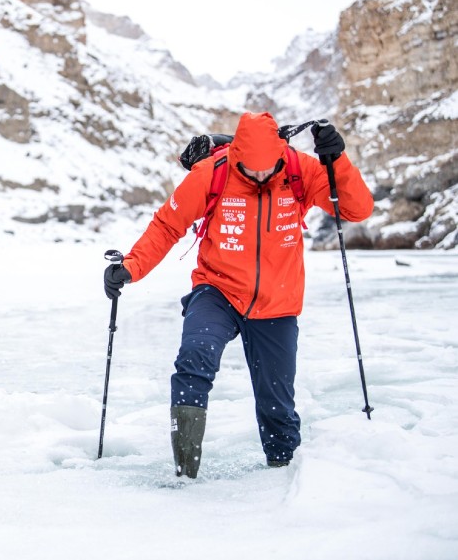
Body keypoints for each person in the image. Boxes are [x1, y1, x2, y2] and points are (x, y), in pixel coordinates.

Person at [103, 112, 374, 478]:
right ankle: (185, 475)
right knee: (194, 359)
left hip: (277, 302)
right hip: (217, 290)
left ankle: (283, 477)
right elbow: (168, 225)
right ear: (236, 157)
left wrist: (336, 160)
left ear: (281, 155)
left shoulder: (300, 171)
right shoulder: (212, 173)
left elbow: (356, 209)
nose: (260, 177)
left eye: (268, 170)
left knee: (277, 405)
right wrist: (131, 266)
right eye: (251, 170)